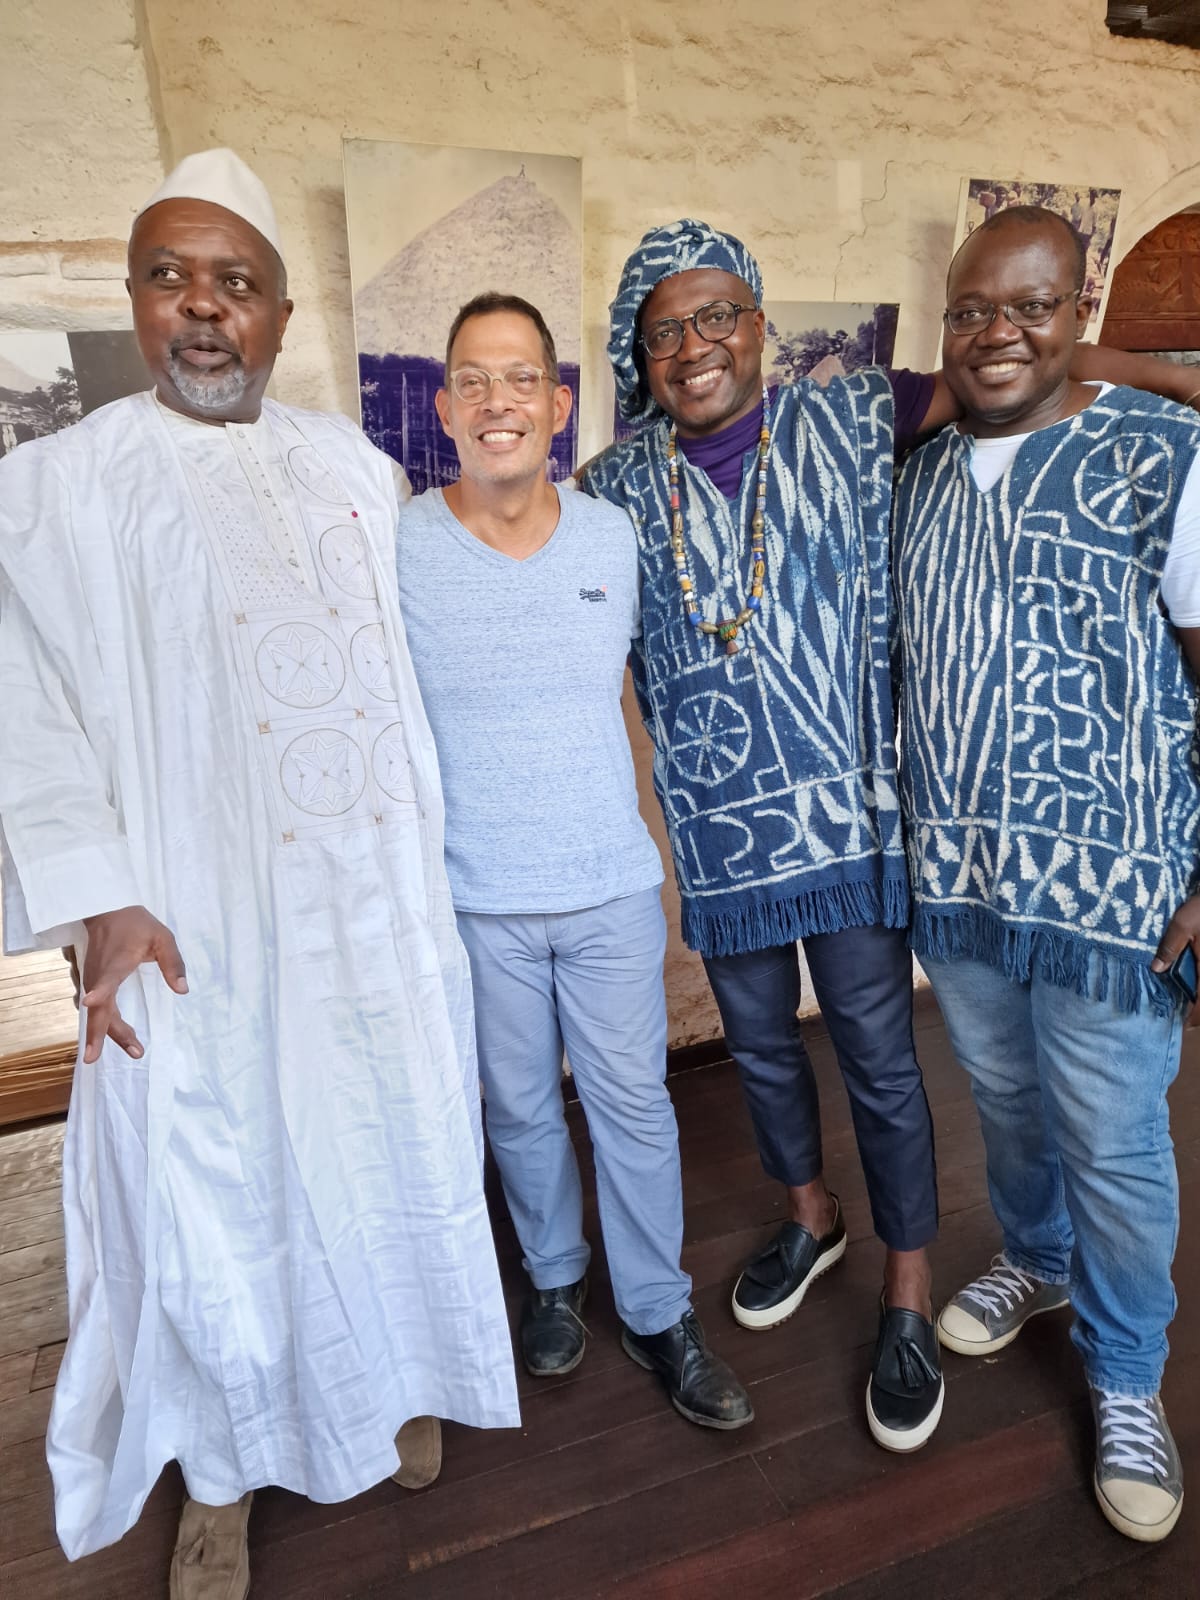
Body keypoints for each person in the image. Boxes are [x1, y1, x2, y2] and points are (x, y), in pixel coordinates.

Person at [580, 218, 1198, 1456]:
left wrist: (1161, 375)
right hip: (794, 845)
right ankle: (848, 1225)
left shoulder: (863, 419)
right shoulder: (621, 489)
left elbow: (1023, 364)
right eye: (666, 331)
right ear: (638, 357)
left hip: (909, 844)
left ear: (762, 324)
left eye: (719, 316)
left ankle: (960, 1309)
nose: (696, 346)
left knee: (937, 1076)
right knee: (819, 1062)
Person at [0, 150, 519, 1597]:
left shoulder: (354, 472)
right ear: (134, 299)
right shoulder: (54, 492)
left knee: (393, 1145)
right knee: (208, 1188)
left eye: (236, 281)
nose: (202, 306)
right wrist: (98, 895)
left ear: (283, 315)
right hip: (189, 928)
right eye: (170, 276)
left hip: (373, 916)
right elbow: (25, 712)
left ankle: (402, 1375)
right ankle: (221, 1472)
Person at [893, 204, 1198, 1543]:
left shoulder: (1161, 455)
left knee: (1116, 1141)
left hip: (1116, 889)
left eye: (1030, 306)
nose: (998, 334)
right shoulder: (918, 476)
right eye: (972, 311)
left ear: (1080, 311)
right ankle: (1037, 1258)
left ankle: (1127, 1375)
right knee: (1010, 1106)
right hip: (963, 880)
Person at [395, 291, 752, 1432]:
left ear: (557, 404)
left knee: (633, 1104)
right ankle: (554, 1277)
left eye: (520, 379)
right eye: (473, 379)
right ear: (446, 406)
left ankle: (656, 1308)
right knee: (517, 1107)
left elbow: (691, 671)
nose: (496, 400)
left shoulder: (614, 536)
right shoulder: (398, 546)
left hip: (608, 885)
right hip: (476, 896)